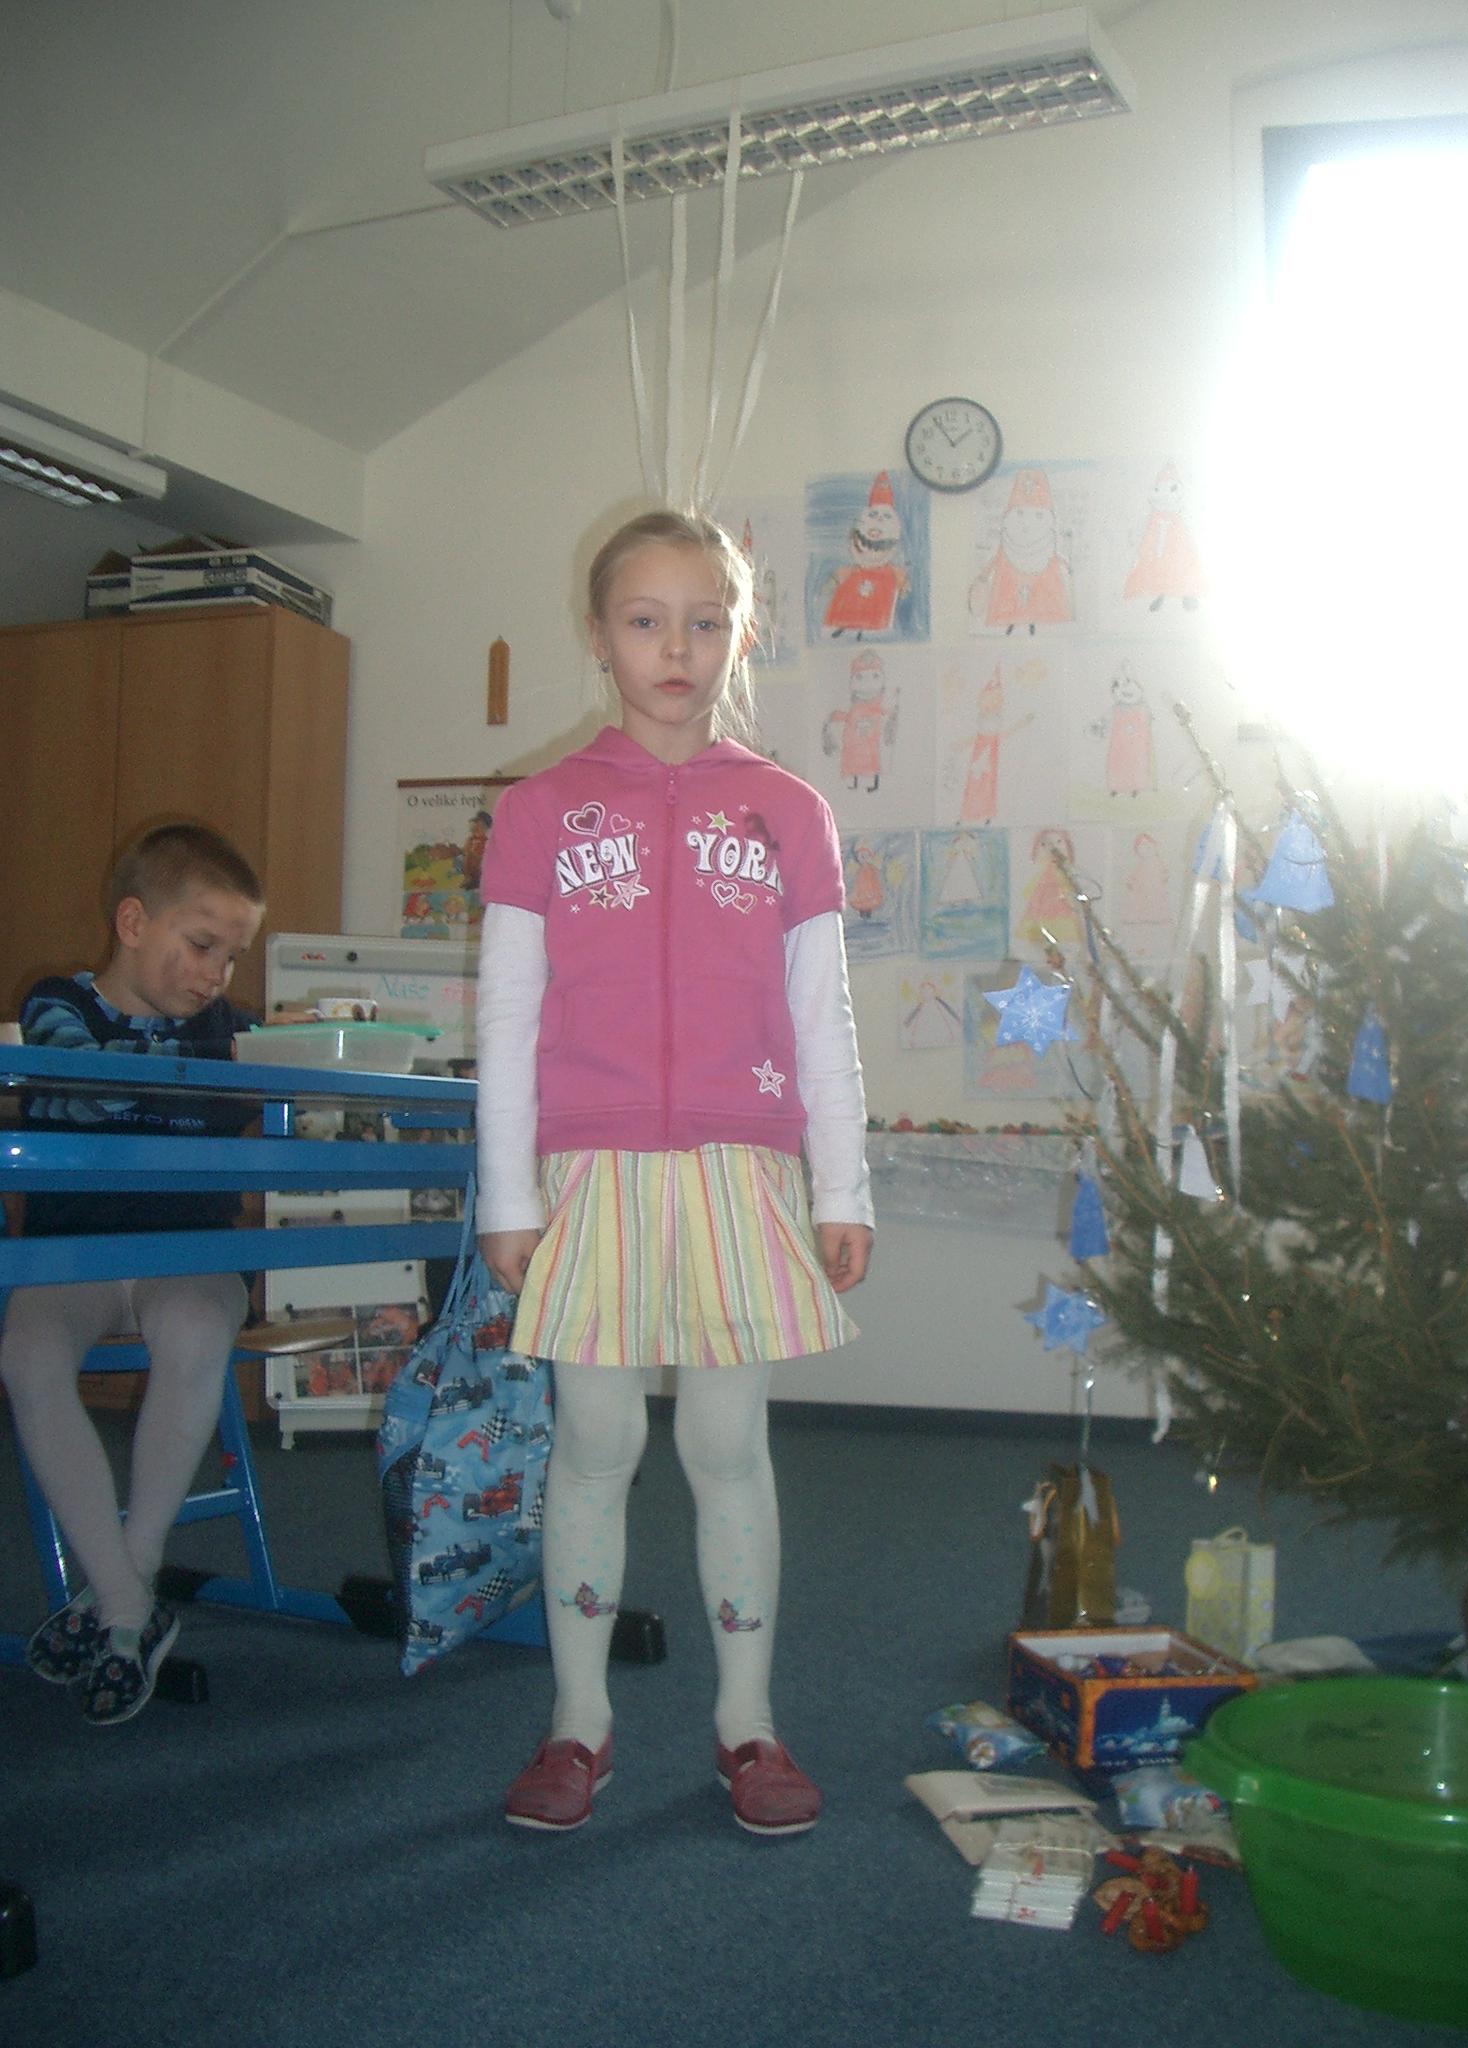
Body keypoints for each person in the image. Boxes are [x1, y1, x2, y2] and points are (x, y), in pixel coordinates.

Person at [476, 508, 874, 1837]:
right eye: (646, 621)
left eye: (706, 621)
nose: (677, 648)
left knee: (724, 1443)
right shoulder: (538, 812)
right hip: (589, 1173)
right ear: (599, 635)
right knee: (594, 1442)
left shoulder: (789, 812)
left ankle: (748, 1722)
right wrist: (508, 1196)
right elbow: (506, 1019)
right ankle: (578, 1722)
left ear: (739, 635)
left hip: (738, 1171)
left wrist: (841, 1187)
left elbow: (822, 1016)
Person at [1, 824, 265, 1725]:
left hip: (188, 1256)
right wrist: (204, 1072)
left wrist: (228, 1064)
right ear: (133, 922)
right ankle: (126, 1603)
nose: (215, 975)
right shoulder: (56, 1002)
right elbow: (77, 1086)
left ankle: (128, 1581)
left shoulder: (225, 1027)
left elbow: (267, 1079)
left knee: (195, 1327)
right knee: (27, 1357)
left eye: (231, 957)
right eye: (202, 945)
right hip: (72, 1257)